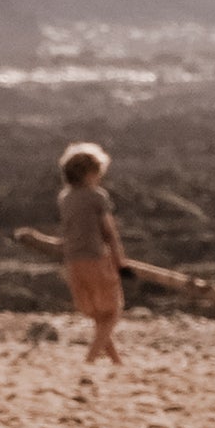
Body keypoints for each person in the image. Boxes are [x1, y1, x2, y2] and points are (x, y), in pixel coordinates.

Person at [55, 142, 127, 364]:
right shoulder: (97, 196)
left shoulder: (65, 198)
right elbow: (109, 232)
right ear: (89, 173)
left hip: (73, 260)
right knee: (113, 311)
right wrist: (120, 262)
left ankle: (116, 361)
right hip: (96, 258)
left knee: (98, 314)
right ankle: (90, 359)